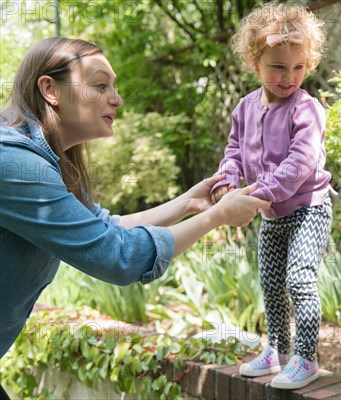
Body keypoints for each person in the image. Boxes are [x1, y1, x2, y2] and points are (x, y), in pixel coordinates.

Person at [0, 37, 270, 379]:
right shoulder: (15, 165)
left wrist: (190, 202)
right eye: (100, 86)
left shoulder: (45, 163)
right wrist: (216, 217)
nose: (118, 99)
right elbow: (118, 257)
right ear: (50, 90)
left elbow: (106, 225)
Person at [210, 3, 332, 390]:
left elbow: (300, 163)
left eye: (298, 68)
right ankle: (277, 349)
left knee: (299, 279)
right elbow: (233, 153)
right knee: (270, 281)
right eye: (278, 67)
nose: (289, 77)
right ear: (255, 61)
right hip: (272, 215)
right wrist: (227, 184)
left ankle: (307, 357)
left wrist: (257, 195)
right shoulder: (245, 108)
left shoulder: (306, 109)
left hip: (308, 209)